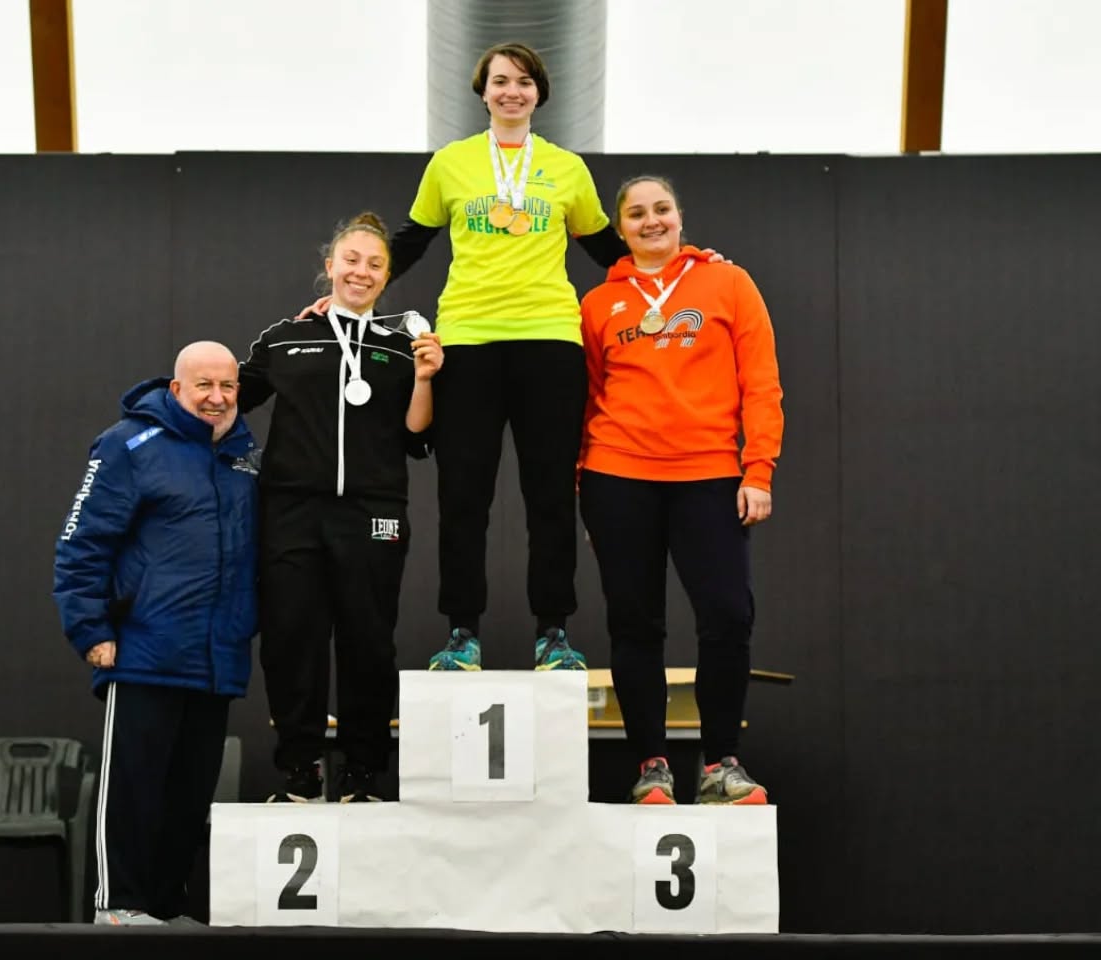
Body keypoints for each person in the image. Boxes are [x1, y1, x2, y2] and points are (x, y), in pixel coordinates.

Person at [300, 42, 716, 672]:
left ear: (539, 92)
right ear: (483, 91)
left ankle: (553, 632)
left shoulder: (567, 169)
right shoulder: (451, 164)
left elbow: (610, 250)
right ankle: (462, 632)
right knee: (463, 496)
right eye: (500, 81)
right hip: (467, 340)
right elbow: (409, 242)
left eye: (523, 81)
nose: (511, 92)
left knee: (550, 494)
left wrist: (686, 270)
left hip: (550, 339)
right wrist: (348, 298)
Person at [577, 175, 784, 806]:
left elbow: (761, 382)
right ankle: (652, 766)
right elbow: (585, 399)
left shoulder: (729, 282)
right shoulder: (598, 303)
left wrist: (758, 470)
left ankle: (720, 764)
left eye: (661, 209)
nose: (651, 221)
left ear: (679, 215)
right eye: (636, 213)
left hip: (709, 475)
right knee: (635, 625)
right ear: (621, 228)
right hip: (618, 477)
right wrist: (583, 484)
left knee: (727, 616)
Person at [239, 212, 444, 804]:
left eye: (375, 264)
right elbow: (233, 398)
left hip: (372, 511)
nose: (361, 272)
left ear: (387, 276)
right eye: (351, 260)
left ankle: (362, 772)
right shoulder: (284, 338)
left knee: (368, 642)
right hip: (292, 511)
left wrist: (425, 378)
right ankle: (300, 770)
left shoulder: (402, 345)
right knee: (291, 639)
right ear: (330, 266)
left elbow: (416, 437)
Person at [52, 341, 259, 925]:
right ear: (176, 389)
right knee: (134, 792)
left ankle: (165, 914)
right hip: (145, 650)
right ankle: (119, 908)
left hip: (216, 660)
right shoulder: (128, 444)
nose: (217, 398)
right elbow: (82, 544)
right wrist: (90, 628)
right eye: (204, 386)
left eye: (227, 386)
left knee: (189, 800)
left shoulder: (243, 456)